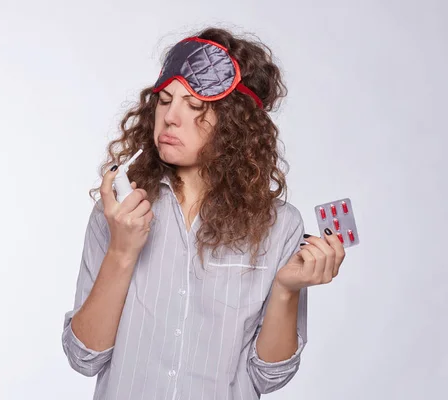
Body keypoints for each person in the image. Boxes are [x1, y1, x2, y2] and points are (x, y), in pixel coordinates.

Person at [61, 27, 346, 400]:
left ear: (236, 125)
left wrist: (286, 290)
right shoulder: (119, 210)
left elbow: (269, 377)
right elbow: (84, 357)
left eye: (195, 106)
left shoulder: (280, 226)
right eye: (164, 100)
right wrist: (122, 250)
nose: (171, 118)